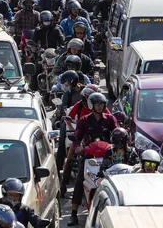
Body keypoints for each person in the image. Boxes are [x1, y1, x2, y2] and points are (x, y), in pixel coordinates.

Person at [68, 93, 117, 226]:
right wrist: (77, 147)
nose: (100, 106)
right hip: (89, 155)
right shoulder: (84, 120)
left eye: (101, 103)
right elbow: (77, 136)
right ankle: (73, 214)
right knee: (79, 180)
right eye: (97, 103)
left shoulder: (110, 119)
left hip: (108, 156)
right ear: (91, 105)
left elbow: (117, 133)